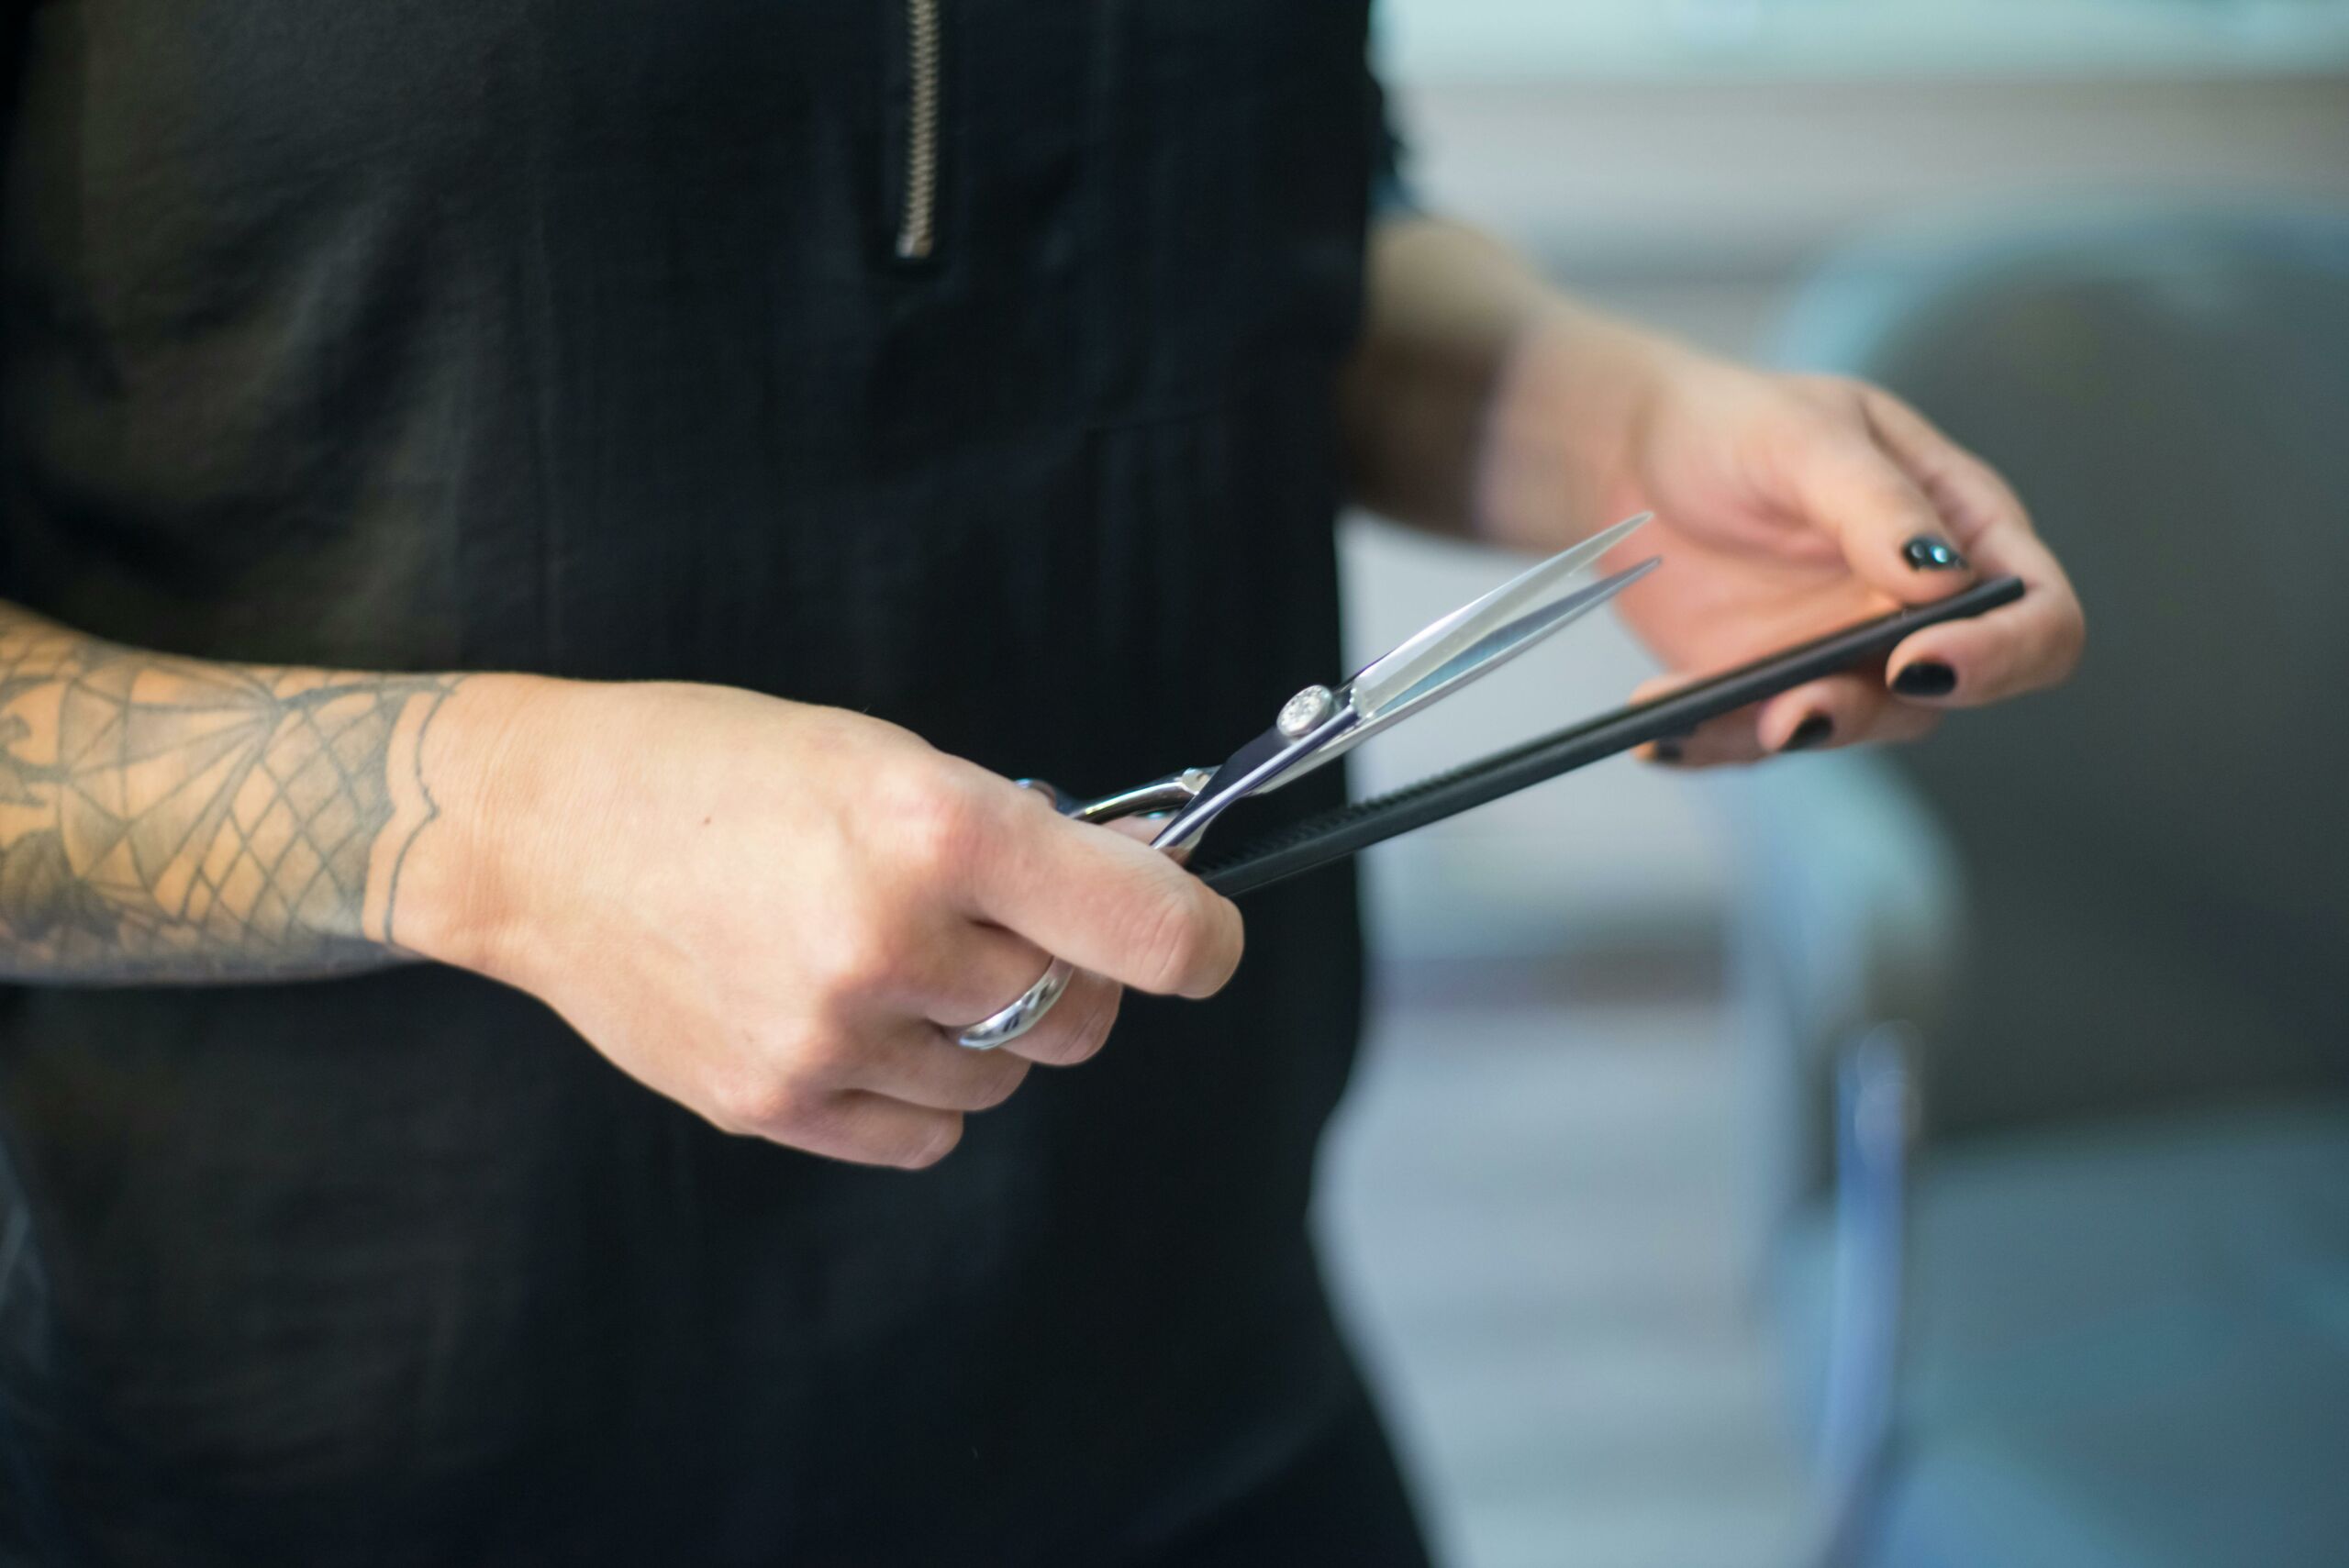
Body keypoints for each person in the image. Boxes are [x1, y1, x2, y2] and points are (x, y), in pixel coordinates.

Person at [0, 5, 2082, 1564]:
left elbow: (1268, 223)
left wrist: (1606, 433)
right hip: (313, 1463)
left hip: (1198, 1394)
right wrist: (491, 820)